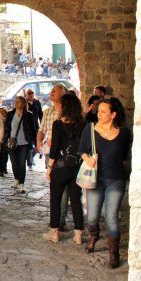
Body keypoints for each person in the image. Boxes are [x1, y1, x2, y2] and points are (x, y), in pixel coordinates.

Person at [80, 97, 131, 268]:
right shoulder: (90, 130)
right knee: (92, 217)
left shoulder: (124, 133)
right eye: (98, 111)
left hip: (115, 180)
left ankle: (113, 254)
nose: (99, 114)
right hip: (96, 180)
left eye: (103, 111)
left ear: (113, 114)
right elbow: (81, 150)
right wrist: (88, 159)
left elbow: (124, 157)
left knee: (111, 218)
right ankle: (93, 235)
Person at [43, 93, 86, 244]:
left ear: (64, 106)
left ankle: (54, 232)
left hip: (61, 167)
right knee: (76, 200)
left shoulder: (58, 124)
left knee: (55, 199)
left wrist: (49, 167)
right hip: (76, 167)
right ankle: (78, 234)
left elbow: (54, 149)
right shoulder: (82, 124)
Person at [37, 83, 69, 229]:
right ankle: (56, 217)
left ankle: (60, 219)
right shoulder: (47, 112)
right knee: (53, 185)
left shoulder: (67, 112)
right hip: (50, 151)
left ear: (63, 94)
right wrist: (38, 142)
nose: (52, 93)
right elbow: (41, 129)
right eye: (51, 91)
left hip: (63, 153)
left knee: (63, 187)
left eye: (55, 91)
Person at [3, 96, 36, 194]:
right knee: (14, 162)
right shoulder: (10, 114)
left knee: (22, 163)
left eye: (18, 102)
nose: (16, 103)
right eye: (15, 101)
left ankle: (21, 183)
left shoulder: (28, 115)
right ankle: (16, 179)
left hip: (24, 142)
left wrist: (35, 142)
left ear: (23, 103)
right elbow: (7, 128)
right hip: (11, 142)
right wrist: (4, 139)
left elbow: (33, 129)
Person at [26, 89, 43, 169]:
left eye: (32, 93)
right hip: (27, 127)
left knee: (37, 144)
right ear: (26, 95)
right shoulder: (25, 103)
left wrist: (43, 124)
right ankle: (29, 163)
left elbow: (40, 114)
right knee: (30, 145)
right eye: (29, 93)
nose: (31, 95)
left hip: (35, 126)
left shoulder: (37, 102)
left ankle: (31, 157)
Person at [0, 107, 9, 176]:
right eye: (0, 111)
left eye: (2, 111)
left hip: (6, 139)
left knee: (5, 155)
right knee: (1, 155)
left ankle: (4, 168)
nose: (1, 113)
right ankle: (2, 170)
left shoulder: (8, 120)